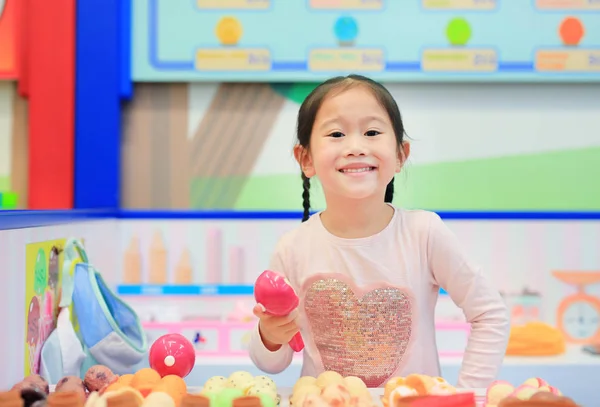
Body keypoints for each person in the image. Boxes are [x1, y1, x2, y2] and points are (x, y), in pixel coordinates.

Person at [249, 74, 510, 389]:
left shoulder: (424, 233)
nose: (356, 147)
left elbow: (490, 315)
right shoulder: (292, 248)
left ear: (401, 155)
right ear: (306, 158)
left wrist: (471, 393)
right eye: (336, 133)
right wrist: (270, 336)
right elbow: (271, 363)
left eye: (372, 132)